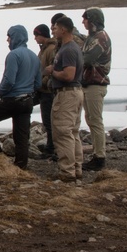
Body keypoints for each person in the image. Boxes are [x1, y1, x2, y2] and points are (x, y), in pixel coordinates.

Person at [0, 25, 41, 170]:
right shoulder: (34, 56)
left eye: (9, 37)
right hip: (27, 100)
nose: (7, 40)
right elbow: (38, 82)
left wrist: (0, 92)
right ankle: (21, 165)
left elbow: (9, 80)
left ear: (15, 37)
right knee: (22, 136)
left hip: (12, 99)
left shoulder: (14, 55)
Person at [46, 16, 85, 181]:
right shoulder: (71, 47)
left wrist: (52, 71)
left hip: (67, 94)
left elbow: (69, 75)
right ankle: (76, 169)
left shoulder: (68, 49)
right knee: (72, 132)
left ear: (63, 29)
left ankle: (67, 173)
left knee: (63, 132)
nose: (53, 30)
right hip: (74, 93)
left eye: (55, 27)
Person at [81, 7, 112, 171]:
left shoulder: (100, 39)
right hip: (90, 84)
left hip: (95, 84)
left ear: (92, 20)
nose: (83, 22)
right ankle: (97, 154)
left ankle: (99, 157)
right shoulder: (92, 37)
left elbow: (86, 59)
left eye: (85, 19)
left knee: (95, 121)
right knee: (92, 120)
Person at [33, 24, 57, 158]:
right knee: (47, 119)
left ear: (43, 35)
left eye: (37, 35)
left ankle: (51, 148)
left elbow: (50, 70)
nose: (35, 38)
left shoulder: (50, 49)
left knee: (48, 121)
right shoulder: (44, 49)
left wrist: (41, 83)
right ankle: (51, 146)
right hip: (42, 90)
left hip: (47, 91)